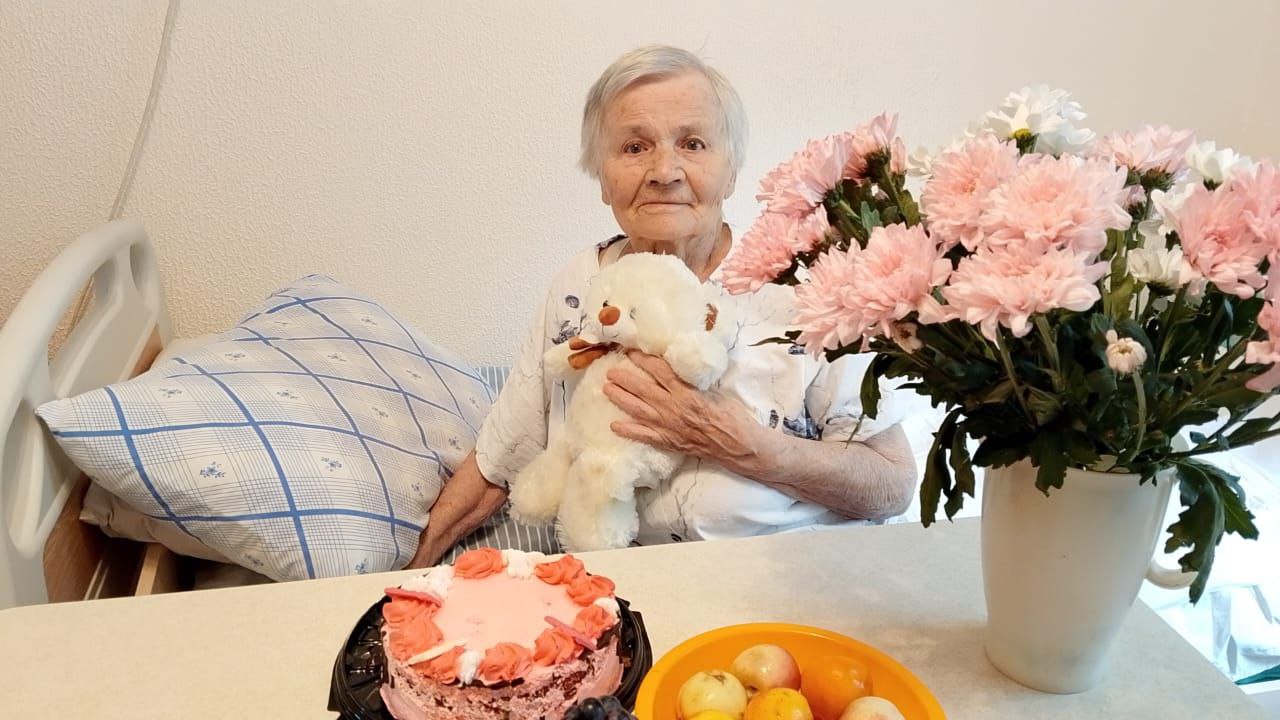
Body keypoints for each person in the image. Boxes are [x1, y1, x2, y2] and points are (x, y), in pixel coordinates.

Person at [407, 45, 916, 568]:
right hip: (627, 586)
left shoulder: (800, 286)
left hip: (790, 574)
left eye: (693, 144)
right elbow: (501, 455)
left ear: (731, 172)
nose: (664, 171)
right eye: (634, 147)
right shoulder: (579, 287)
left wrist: (753, 448)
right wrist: (401, 577)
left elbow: (892, 483)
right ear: (602, 178)